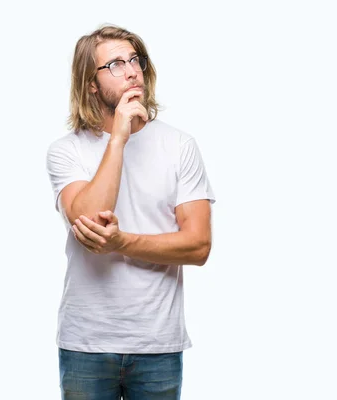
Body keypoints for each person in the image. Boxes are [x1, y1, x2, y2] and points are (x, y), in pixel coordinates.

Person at [45, 24, 216, 399]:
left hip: (158, 343)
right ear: (92, 83)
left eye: (135, 60)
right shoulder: (66, 150)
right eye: (116, 64)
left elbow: (198, 247)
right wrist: (119, 138)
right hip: (86, 344)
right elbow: (89, 223)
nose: (132, 70)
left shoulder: (179, 145)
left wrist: (122, 241)